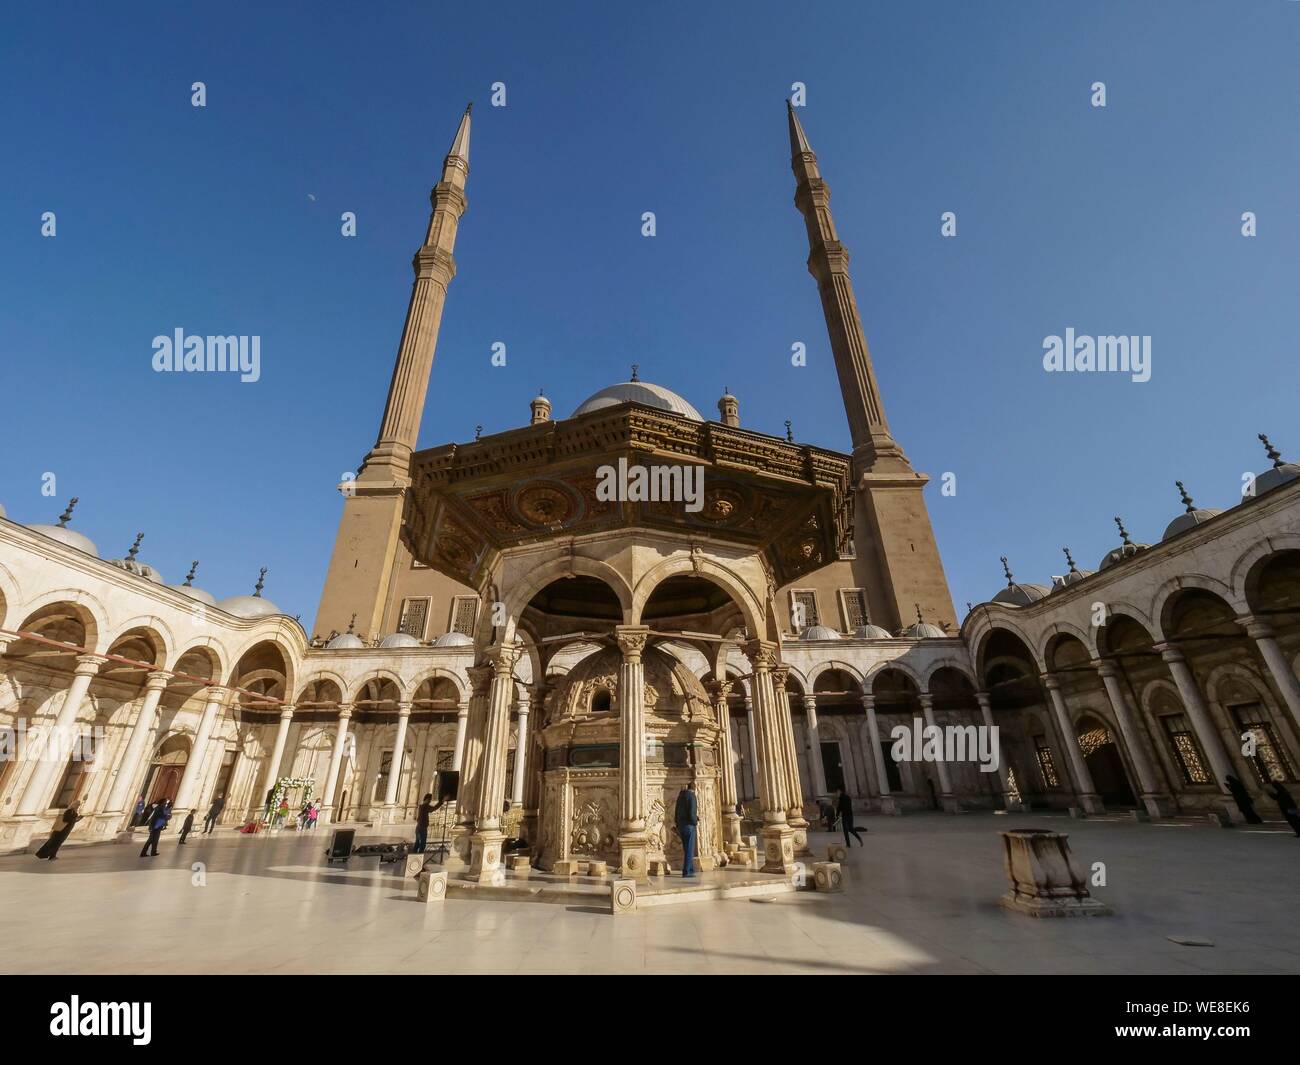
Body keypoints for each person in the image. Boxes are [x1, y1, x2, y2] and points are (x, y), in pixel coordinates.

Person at [674, 782, 698, 877]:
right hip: (689, 826)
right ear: (694, 789)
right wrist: (695, 821)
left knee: (686, 848)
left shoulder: (680, 796)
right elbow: (692, 813)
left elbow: (676, 811)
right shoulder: (692, 797)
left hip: (681, 825)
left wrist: (677, 823)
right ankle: (687, 871)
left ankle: (691, 869)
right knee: (690, 849)